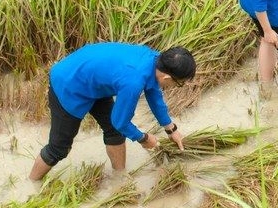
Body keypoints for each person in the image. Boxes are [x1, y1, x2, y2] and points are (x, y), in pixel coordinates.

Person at [29, 43, 196, 181]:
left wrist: (170, 129)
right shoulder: (133, 81)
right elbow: (120, 121)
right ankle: (31, 186)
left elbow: (154, 93)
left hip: (92, 79)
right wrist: (143, 138)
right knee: (58, 149)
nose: (176, 87)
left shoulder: (154, 60)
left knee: (114, 131)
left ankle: (119, 178)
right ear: (167, 78)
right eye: (179, 83)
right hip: (69, 84)